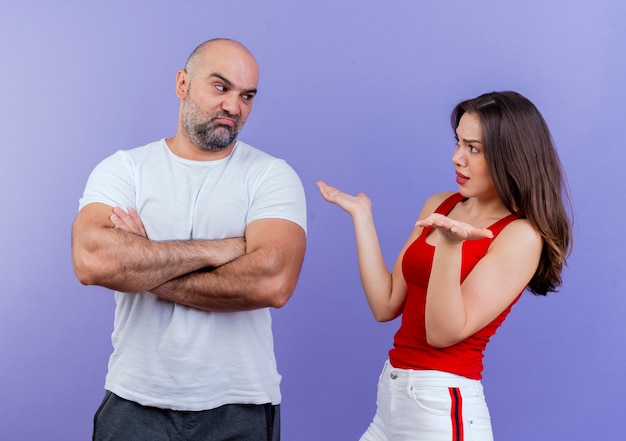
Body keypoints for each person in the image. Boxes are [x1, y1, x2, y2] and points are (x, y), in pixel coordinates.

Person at [71, 38, 307, 441]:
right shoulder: (125, 169)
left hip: (241, 405)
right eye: (221, 87)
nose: (234, 107)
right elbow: (93, 260)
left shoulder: (271, 175)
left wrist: (143, 265)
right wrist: (225, 248)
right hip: (134, 402)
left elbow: (272, 282)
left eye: (246, 95)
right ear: (182, 83)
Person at [317, 90, 572, 441]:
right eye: (458, 143)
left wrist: (451, 247)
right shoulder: (441, 204)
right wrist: (362, 218)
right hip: (392, 396)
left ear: (509, 157)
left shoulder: (520, 235)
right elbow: (385, 304)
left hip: (441, 407)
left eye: (474, 148)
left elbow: (443, 332)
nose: (456, 158)